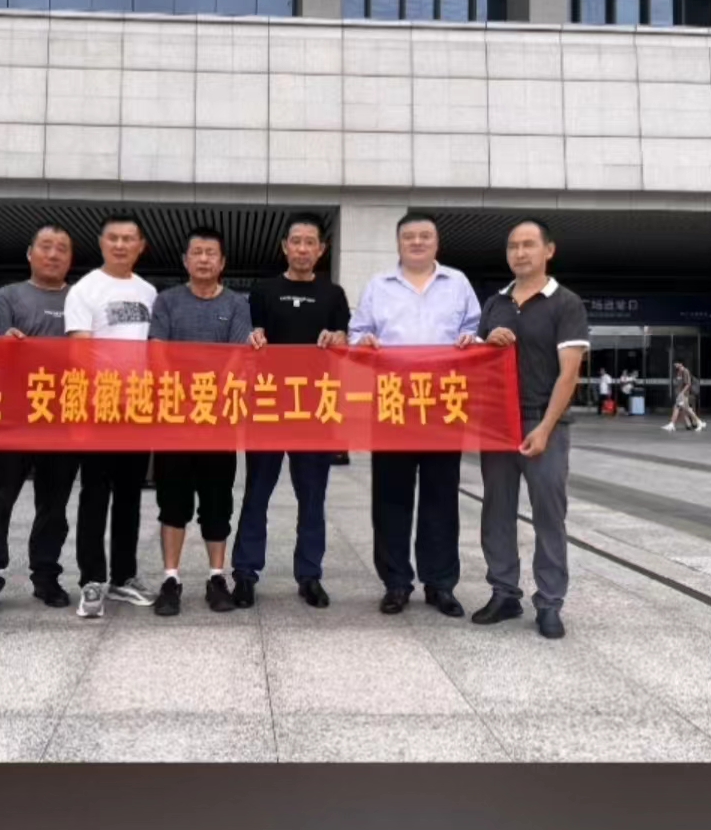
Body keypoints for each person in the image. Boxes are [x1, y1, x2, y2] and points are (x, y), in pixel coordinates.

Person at [462, 219, 590, 641]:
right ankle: (504, 592)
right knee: (496, 509)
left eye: (529, 245)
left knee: (548, 513)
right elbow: (478, 364)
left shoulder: (565, 303)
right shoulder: (495, 303)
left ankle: (550, 602)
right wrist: (484, 343)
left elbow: (569, 374)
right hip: (498, 421)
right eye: (513, 246)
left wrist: (546, 427)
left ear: (548, 251)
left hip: (543, 420)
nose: (520, 253)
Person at [349, 211, 481, 616]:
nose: (417, 242)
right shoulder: (379, 286)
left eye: (425, 236)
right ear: (399, 243)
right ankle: (396, 583)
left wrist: (471, 339)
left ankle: (440, 584)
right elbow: (357, 334)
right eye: (410, 237)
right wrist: (364, 342)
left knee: (441, 497)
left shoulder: (458, 283)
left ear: (436, 243)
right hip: (393, 402)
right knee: (391, 498)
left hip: (443, 403)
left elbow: (475, 331)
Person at [231, 213, 351, 609]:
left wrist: (339, 338)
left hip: (315, 409)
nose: (302, 249)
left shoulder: (333, 294)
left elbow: (344, 341)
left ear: (321, 249)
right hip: (268, 406)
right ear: (284, 247)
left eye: (309, 242)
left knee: (312, 498)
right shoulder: (263, 291)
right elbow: (250, 338)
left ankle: (310, 575)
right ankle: (245, 573)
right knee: (257, 494)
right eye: (295, 241)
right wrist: (254, 337)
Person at [0, 225, 82, 618]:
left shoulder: (81, 298)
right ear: (30, 253)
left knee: (54, 505)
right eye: (46, 247)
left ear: (70, 258)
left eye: (62, 249)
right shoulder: (7, 297)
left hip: (63, 418)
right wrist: (4, 344)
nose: (53, 254)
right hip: (13, 417)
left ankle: (46, 576)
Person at [148, 226, 253, 616]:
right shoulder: (167, 301)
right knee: (172, 503)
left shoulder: (237, 304)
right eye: (197, 252)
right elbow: (157, 352)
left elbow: (237, 356)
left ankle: (216, 577)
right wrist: (183, 396)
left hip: (217, 421)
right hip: (174, 419)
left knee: (217, 502)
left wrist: (209, 397)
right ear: (185, 260)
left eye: (211, 253)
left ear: (222, 262)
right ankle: (170, 579)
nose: (204, 259)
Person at [64, 214, 158, 618]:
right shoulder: (85, 290)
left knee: (130, 496)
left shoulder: (149, 292)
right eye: (114, 238)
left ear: (141, 246)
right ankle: (91, 579)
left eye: (128, 239)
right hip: (98, 407)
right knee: (94, 495)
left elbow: (156, 350)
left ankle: (123, 576)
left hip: (138, 408)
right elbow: (79, 352)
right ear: (102, 243)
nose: (121, 245)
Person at [663, 361, 705, 433]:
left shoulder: (685, 371)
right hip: (680, 394)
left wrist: (682, 393)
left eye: (676, 363)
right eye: (675, 364)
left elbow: (688, 384)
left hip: (683, 394)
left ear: (681, 364)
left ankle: (699, 422)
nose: (675, 365)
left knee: (685, 409)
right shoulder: (678, 372)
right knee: (679, 408)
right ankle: (672, 424)